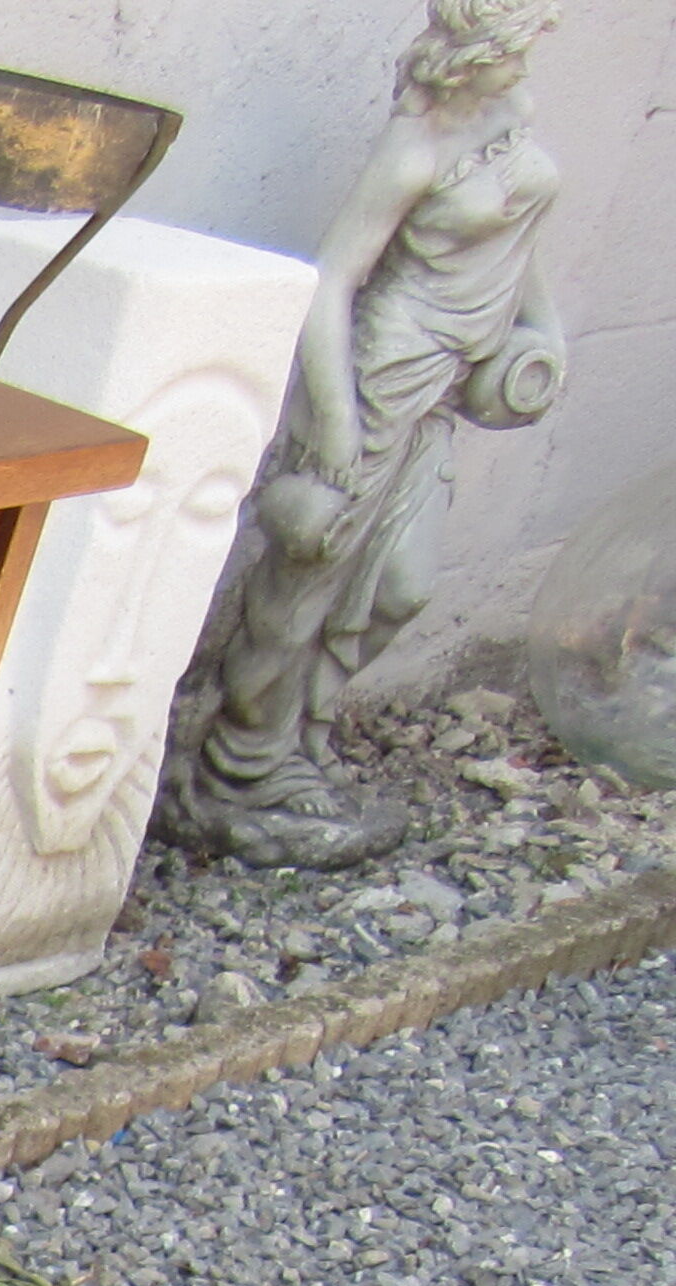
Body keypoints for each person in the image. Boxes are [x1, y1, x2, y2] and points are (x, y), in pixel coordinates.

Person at [166, 0, 565, 867]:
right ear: (473, 54)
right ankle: (244, 765)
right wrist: (337, 423)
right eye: (516, 50)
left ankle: (299, 742)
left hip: (449, 385)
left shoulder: (511, 115)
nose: (527, 65)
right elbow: (330, 281)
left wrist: (546, 331)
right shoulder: (412, 148)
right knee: (304, 582)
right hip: (383, 376)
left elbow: (522, 245)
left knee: (401, 589)